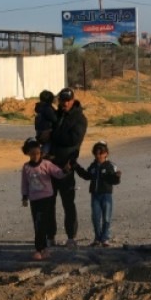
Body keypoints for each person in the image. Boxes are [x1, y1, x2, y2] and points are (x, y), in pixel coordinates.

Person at [47, 87, 88, 247]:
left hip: (67, 166)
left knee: (68, 204)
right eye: (62, 100)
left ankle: (71, 237)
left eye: (67, 100)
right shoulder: (55, 115)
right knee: (49, 203)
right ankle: (50, 236)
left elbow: (73, 139)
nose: (64, 103)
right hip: (50, 166)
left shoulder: (80, 119)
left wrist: (53, 135)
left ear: (72, 100)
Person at [21, 137, 70, 260]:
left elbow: (58, 173)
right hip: (34, 200)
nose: (36, 156)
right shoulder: (26, 167)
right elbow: (24, 183)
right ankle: (40, 249)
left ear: (41, 153)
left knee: (44, 223)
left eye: (38, 153)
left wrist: (65, 170)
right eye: (32, 154)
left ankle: (43, 249)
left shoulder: (46, 164)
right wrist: (24, 197)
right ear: (28, 153)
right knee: (37, 224)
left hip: (47, 198)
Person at [73, 140, 122, 247]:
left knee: (106, 217)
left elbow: (113, 180)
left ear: (106, 153)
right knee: (95, 217)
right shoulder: (93, 166)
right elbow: (87, 176)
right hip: (95, 195)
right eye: (96, 153)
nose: (98, 155)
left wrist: (117, 177)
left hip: (106, 195)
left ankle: (105, 238)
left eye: (100, 153)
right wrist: (76, 167)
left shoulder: (110, 166)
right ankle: (97, 238)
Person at [34, 90, 57, 155]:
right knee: (49, 143)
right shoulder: (47, 108)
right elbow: (54, 119)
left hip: (39, 130)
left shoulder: (39, 107)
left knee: (46, 143)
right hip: (46, 130)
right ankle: (43, 154)